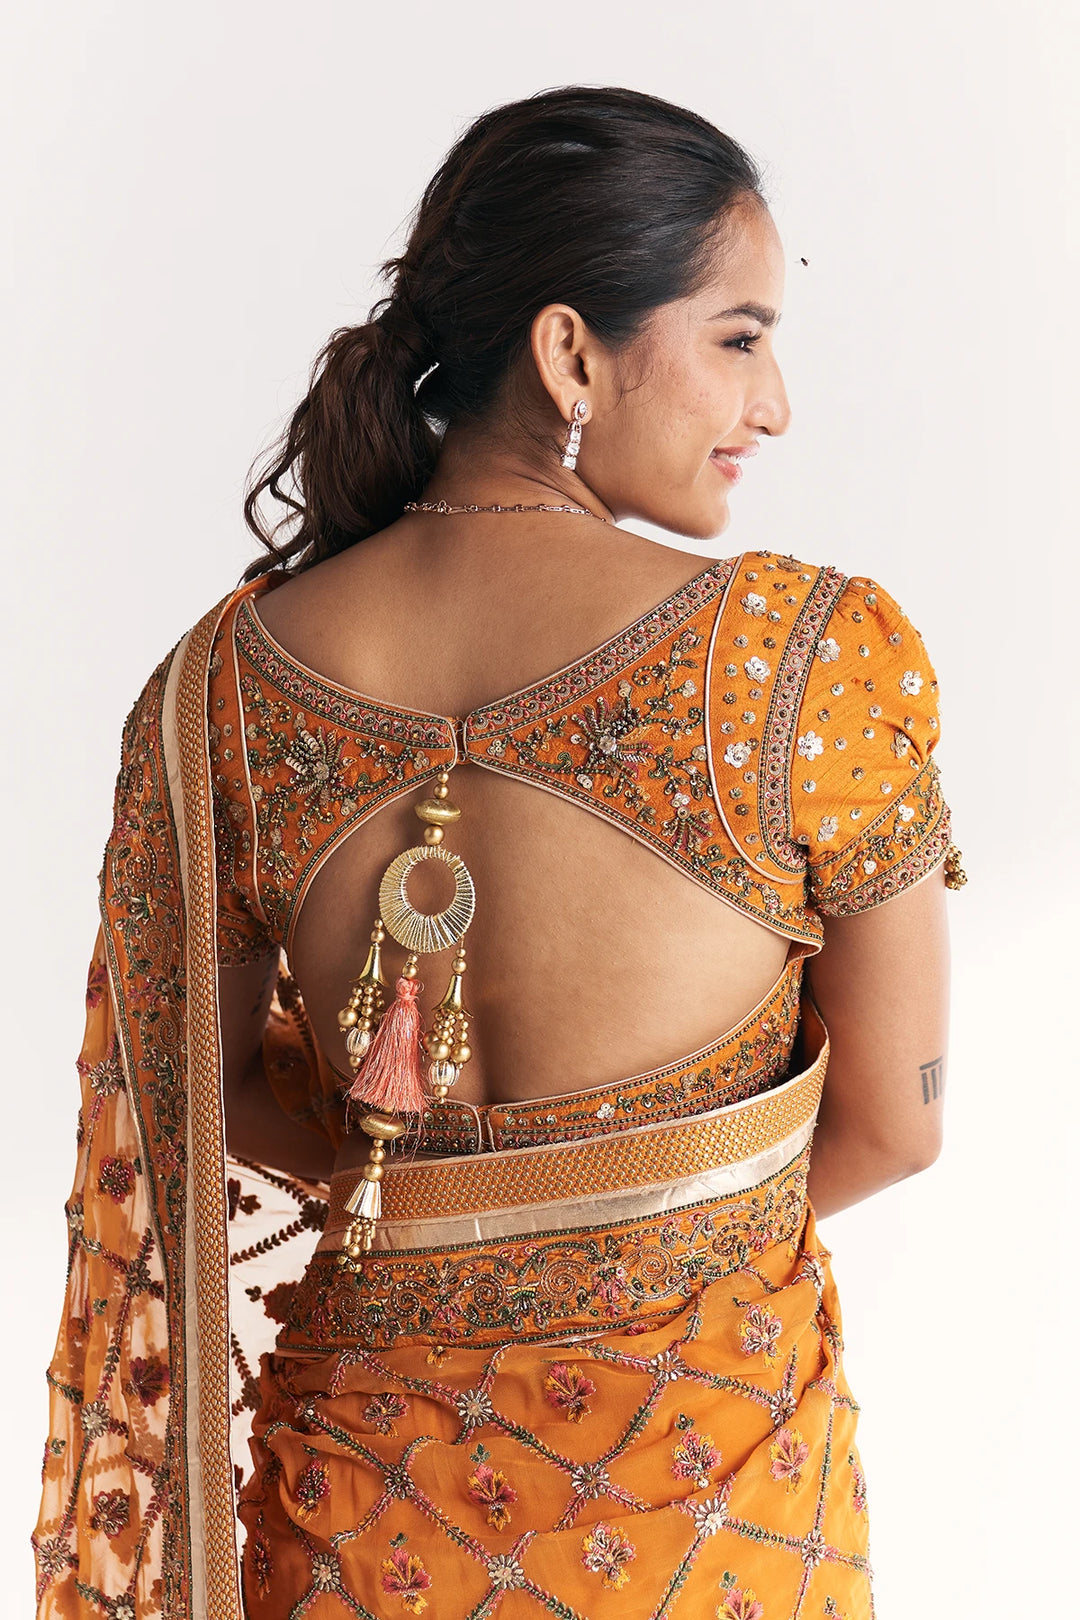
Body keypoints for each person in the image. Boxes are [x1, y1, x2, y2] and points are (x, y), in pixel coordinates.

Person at [33, 86, 964, 1620]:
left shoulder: (220, 693)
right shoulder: (802, 662)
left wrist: (429, 1211)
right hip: (706, 1491)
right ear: (570, 352)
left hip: (363, 1498)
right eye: (738, 338)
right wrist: (635, 1239)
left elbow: (193, 1097)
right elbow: (898, 1122)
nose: (775, 402)